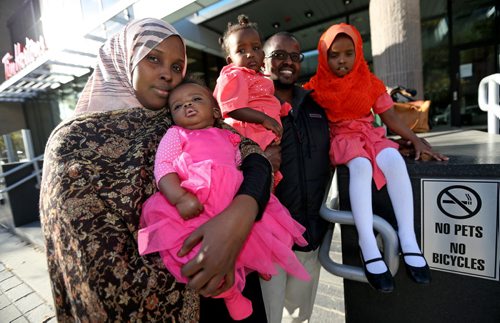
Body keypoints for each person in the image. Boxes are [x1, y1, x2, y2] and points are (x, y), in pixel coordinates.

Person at [39, 18, 275, 322]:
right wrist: (205, 257)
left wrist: (239, 217)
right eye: (153, 58)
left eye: (178, 67)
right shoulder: (73, 143)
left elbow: (254, 157)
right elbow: (95, 269)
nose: (167, 74)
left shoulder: (179, 115)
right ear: (125, 58)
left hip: (236, 280)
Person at [137, 79, 310, 321]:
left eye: (196, 99)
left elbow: (244, 165)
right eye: (178, 106)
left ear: (216, 111)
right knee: (199, 252)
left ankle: (258, 264)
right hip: (197, 201)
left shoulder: (230, 136)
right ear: (172, 117)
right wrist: (179, 198)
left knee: (254, 234)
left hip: (231, 199)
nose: (187, 106)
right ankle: (230, 294)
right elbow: (163, 167)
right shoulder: (175, 134)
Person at [304, 23, 449, 293]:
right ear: (323, 56)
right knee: (360, 167)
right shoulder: (315, 87)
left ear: (359, 52)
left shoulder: (370, 81)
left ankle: (408, 238)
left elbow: (391, 116)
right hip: (342, 138)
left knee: (394, 162)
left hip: (369, 134)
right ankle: (367, 243)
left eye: (348, 53)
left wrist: (416, 140)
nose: (341, 60)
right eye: (333, 55)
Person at [259, 32, 332, 323]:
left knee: (299, 317)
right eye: (278, 55)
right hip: (270, 239)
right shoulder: (250, 107)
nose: (288, 62)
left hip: (310, 233)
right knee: (269, 315)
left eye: (294, 56)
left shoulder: (316, 106)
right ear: (263, 62)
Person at [213, 14, 290, 186]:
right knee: (254, 184)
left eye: (255, 48)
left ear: (263, 54)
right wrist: (265, 119)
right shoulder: (235, 75)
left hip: (264, 140)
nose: (250, 54)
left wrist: (282, 109)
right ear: (230, 60)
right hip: (247, 136)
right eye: (241, 50)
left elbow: (265, 101)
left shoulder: (260, 78)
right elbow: (232, 108)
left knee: (266, 188)